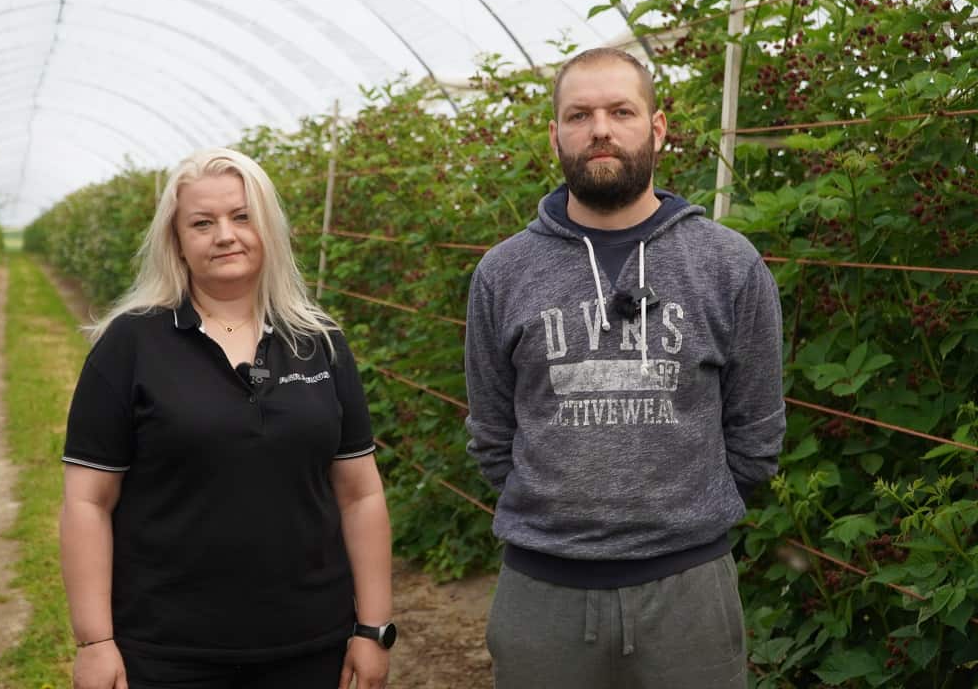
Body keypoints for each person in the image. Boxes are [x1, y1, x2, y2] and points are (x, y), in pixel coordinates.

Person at [464, 48, 786, 688]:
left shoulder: (728, 265)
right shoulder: (502, 274)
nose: (600, 130)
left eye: (621, 111)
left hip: (689, 593)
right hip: (543, 594)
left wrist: (685, 519)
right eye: (579, 115)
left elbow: (756, 432)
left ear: (658, 128)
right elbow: (492, 433)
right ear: (555, 134)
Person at [59, 148, 395, 689]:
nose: (225, 235)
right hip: (166, 651)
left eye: (242, 216)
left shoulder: (319, 342)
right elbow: (87, 502)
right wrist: (95, 642)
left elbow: (360, 494)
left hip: (312, 646)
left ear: (269, 229)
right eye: (202, 223)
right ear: (176, 241)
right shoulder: (131, 344)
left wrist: (373, 628)